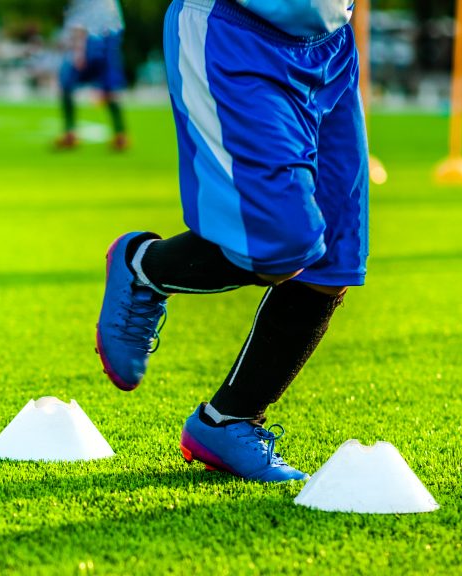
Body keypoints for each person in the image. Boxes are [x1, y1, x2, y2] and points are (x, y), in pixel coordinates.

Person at [95, 0, 367, 482]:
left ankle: (229, 420)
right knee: (284, 243)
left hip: (330, 45)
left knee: (334, 263)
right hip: (238, 30)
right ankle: (144, 266)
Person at [55, 0, 129, 151]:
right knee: (109, 87)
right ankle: (120, 134)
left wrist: (78, 51)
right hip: (109, 34)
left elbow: (79, 20)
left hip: (91, 37)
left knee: (67, 81)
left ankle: (70, 132)